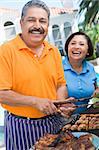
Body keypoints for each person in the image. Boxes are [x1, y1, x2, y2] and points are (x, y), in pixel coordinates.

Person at [0, 0, 75, 149]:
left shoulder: (53, 51)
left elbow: (61, 84)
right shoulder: (6, 51)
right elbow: (2, 93)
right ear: (21, 23)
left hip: (54, 121)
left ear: (47, 25)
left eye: (42, 21)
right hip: (22, 126)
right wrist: (35, 102)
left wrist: (61, 103)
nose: (37, 26)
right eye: (31, 20)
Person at [63, 31, 97, 114]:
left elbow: (96, 90)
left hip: (84, 118)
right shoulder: (57, 68)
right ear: (67, 48)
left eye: (81, 44)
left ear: (88, 51)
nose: (76, 47)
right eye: (73, 43)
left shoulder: (90, 68)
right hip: (60, 119)